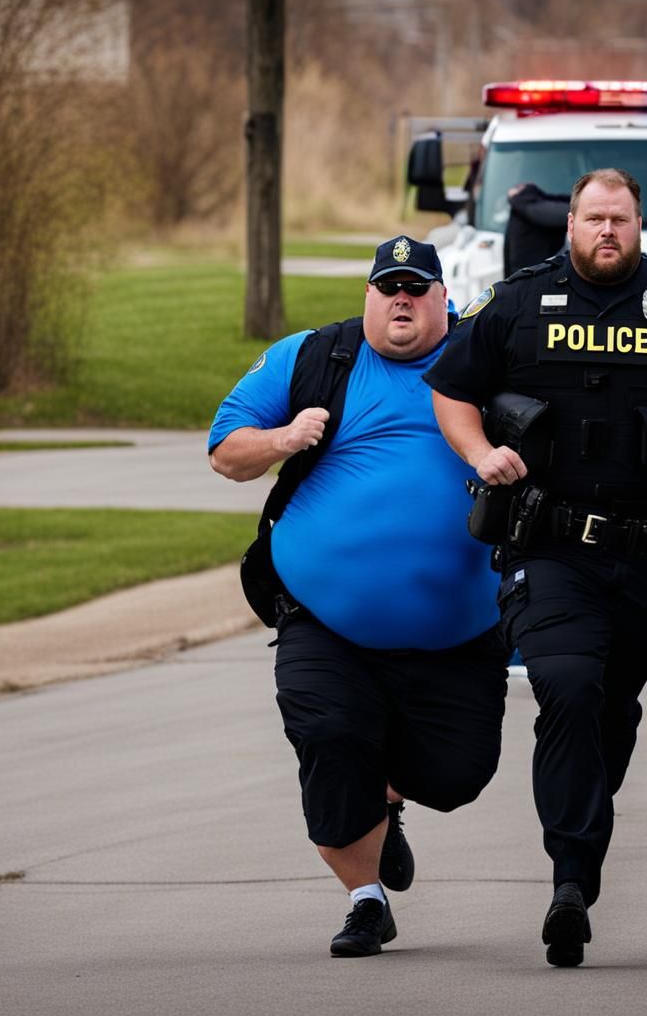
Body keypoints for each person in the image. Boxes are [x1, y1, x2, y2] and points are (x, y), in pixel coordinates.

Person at [425, 168, 647, 967]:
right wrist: (483, 454)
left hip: (646, 559)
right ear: (571, 226)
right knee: (566, 686)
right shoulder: (517, 303)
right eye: (594, 219)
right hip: (546, 547)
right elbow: (450, 388)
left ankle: (576, 858)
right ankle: (570, 880)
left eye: (619, 220)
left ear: (639, 224)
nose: (607, 232)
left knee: (608, 706)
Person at [208, 235, 508, 958]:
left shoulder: (488, 356)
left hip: (459, 631)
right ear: (369, 296)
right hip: (323, 618)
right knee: (331, 735)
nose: (401, 299)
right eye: (388, 287)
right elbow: (224, 451)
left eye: (416, 287)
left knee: (458, 775)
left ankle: (391, 798)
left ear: (445, 297)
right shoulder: (315, 358)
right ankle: (365, 901)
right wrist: (284, 438)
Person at [504, 182, 570, 276]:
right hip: (534, 275)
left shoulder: (525, 205)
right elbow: (562, 213)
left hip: (528, 275)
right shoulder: (527, 204)